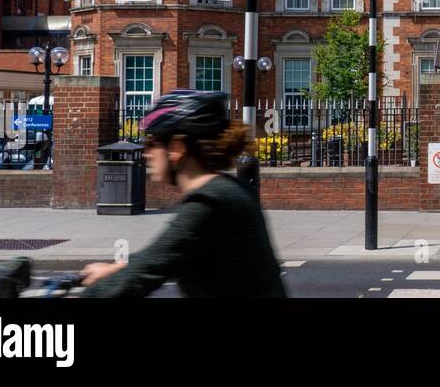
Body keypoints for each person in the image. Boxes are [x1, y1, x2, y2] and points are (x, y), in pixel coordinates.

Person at [79, 90, 285, 298]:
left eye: (152, 143)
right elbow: (162, 255)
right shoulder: (229, 189)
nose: (146, 153)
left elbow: (150, 269)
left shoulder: (209, 203)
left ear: (176, 148)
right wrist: (117, 270)